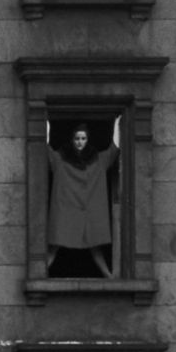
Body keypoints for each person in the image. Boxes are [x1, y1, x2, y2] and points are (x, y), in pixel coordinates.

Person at [46, 118, 119, 276]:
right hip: (68, 211)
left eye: (83, 138)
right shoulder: (60, 159)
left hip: (88, 213)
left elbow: (113, 150)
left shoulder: (97, 160)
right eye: (77, 138)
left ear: (88, 139)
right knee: (54, 247)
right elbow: (47, 151)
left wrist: (117, 126)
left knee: (95, 247)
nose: (80, 142)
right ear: (72, 140)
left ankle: (109, 276)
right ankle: (40, 274)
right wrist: (43, 128)